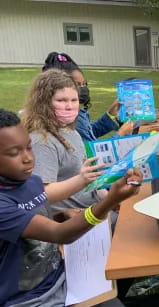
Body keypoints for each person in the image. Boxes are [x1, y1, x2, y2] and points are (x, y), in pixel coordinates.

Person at [0, 108, 142, 307]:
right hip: (25, 304)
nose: (27, 158)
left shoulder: (30, 182)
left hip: (62, 280)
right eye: (14, 153)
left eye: (28, 148)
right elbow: (59, 235)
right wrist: (109, 201)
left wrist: (60, 215)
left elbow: (38, 219)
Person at [22, 69, 107, 215]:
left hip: (95, 205)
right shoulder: (42, 141)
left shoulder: (70, 131)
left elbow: (89, 180)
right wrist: (81, 180)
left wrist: (110, 198)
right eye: (61, 100)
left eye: (74, 100)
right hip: (74, 219)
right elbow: (43, 194)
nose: (69, 106)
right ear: (43, 103)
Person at [42, 51, 133, 141]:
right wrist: (121, 133)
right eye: (77, 84)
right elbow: (91, 151)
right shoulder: (69, 118)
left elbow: (88, 132)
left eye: (84, 84)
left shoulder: (77, 114)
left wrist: (110, 113)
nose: (83, 88)